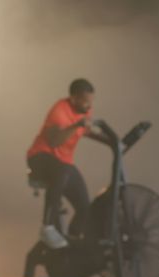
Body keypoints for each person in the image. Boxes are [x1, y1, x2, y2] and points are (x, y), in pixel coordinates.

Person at [26, 78, 105, 249]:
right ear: (73, 98)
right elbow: (54, 141)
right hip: (40, 157)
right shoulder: (59, 110)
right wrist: (76, 125)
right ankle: (47, 227)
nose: (89, 106)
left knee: (85, 207)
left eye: (91, 102)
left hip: (63, 163)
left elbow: (87, 131)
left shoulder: (84, 110)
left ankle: (71, 243)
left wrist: (112, 142)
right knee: (61, 170)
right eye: (85, 102)